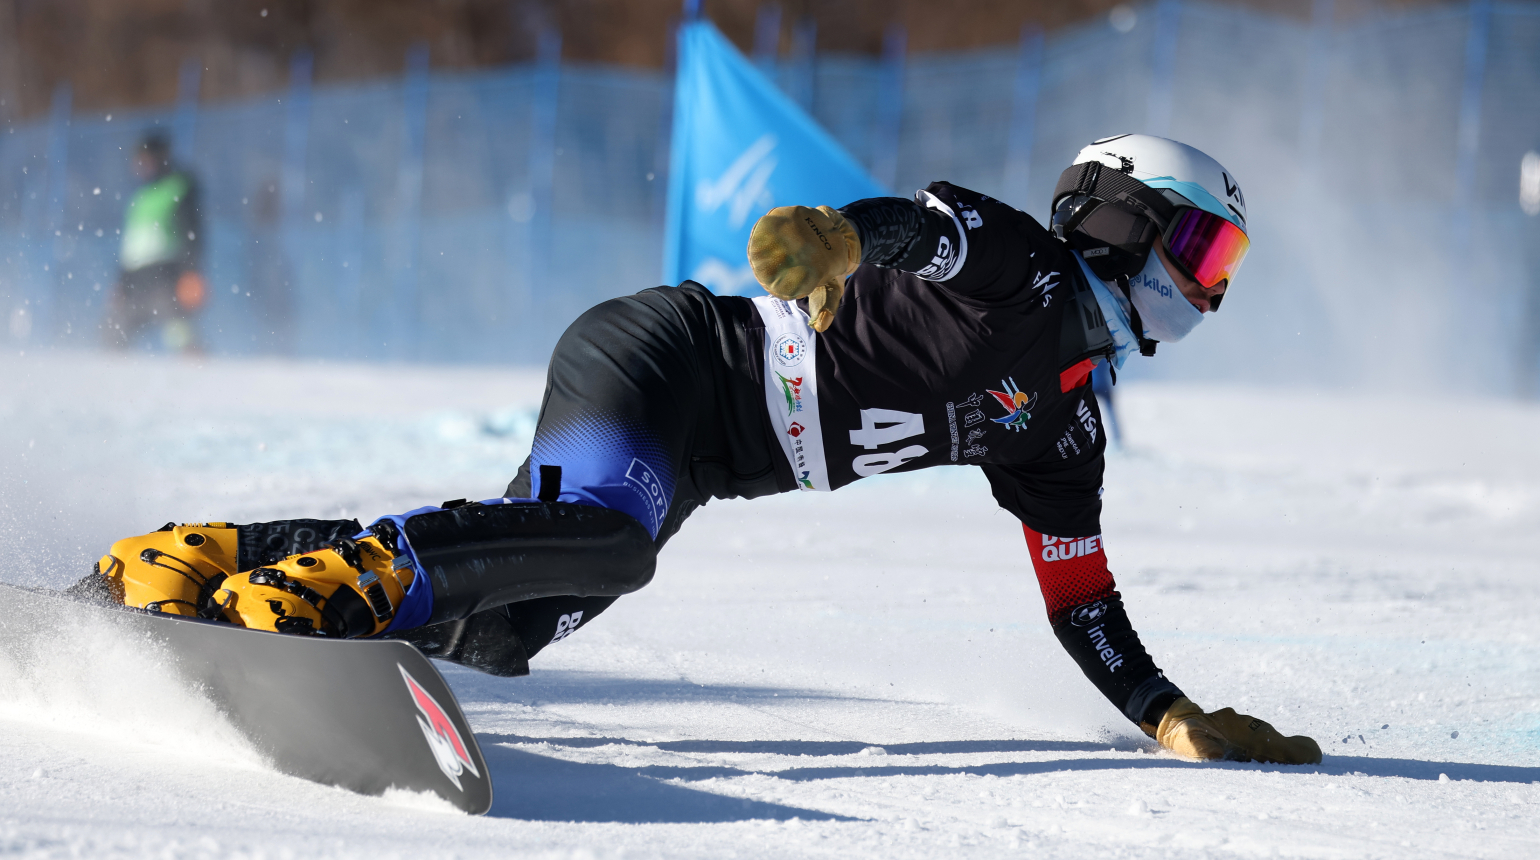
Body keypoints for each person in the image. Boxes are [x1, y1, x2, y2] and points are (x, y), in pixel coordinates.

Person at [79, 134, 1319, 764]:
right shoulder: (1030, 270)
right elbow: (926, 233)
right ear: (1120, 216)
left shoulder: (1067, 421)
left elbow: (1078, 594)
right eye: (1203, 255)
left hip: (698, 456)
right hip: (669, 355)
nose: (1207, 293)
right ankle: (323, 592)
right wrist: (841, 234)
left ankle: (197, 558)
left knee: (507, 625)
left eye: (1228, 273)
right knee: (608, 546)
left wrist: (1167, 714)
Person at [103, 130, 206, 352]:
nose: (141, 165)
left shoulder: (179, 186)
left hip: (166, 275)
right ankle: (112, 383)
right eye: (139, 160)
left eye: (146, 159)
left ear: (161, 158)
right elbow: (131, 246)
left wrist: (191, 272)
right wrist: (120, 283)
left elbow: (193, 233)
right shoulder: (139, 198)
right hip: (135, 278)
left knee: (179, 331)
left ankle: (201, 377)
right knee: (113, 333)